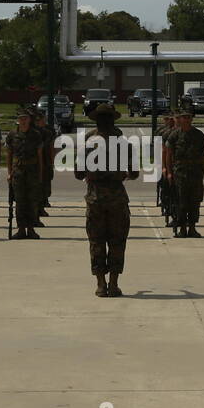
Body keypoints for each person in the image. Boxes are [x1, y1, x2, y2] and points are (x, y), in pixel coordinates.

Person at [76, 102, 138, 296]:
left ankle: (101, 284)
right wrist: (121, 175)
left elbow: (78, 174)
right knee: (117, 241)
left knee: (96, 241)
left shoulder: (88, 144)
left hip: (95, 198)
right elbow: (134, 173)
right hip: (117, 199)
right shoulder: (124, 145)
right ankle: (113, 283)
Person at [163, 108, 204, 237]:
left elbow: (202, 156)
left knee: (194, 202)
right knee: (181, 202)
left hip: (195, 173)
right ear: (180, 119)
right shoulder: (174, 135)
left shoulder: (199, 135)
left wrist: (202, 172)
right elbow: (168, 155)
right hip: (180, 174)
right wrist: (169, 172)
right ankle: (182, 228)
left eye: (188, 117)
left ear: (191, 119)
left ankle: (192, 227)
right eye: (184, 117)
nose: (186, 120)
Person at [6, 108, 45, 238]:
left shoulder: (36, 134)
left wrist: (40, 174)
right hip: (18, 172)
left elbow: (40, 156)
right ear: (18, 120)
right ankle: (21, 229)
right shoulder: (12, 135)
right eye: (21, 118)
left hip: (32, 171)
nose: (23, 121)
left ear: (29, 120)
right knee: (20, 201)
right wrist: (9, 172)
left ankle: (31, 229)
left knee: (32, 202)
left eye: (25, 118)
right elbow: (9, 155)